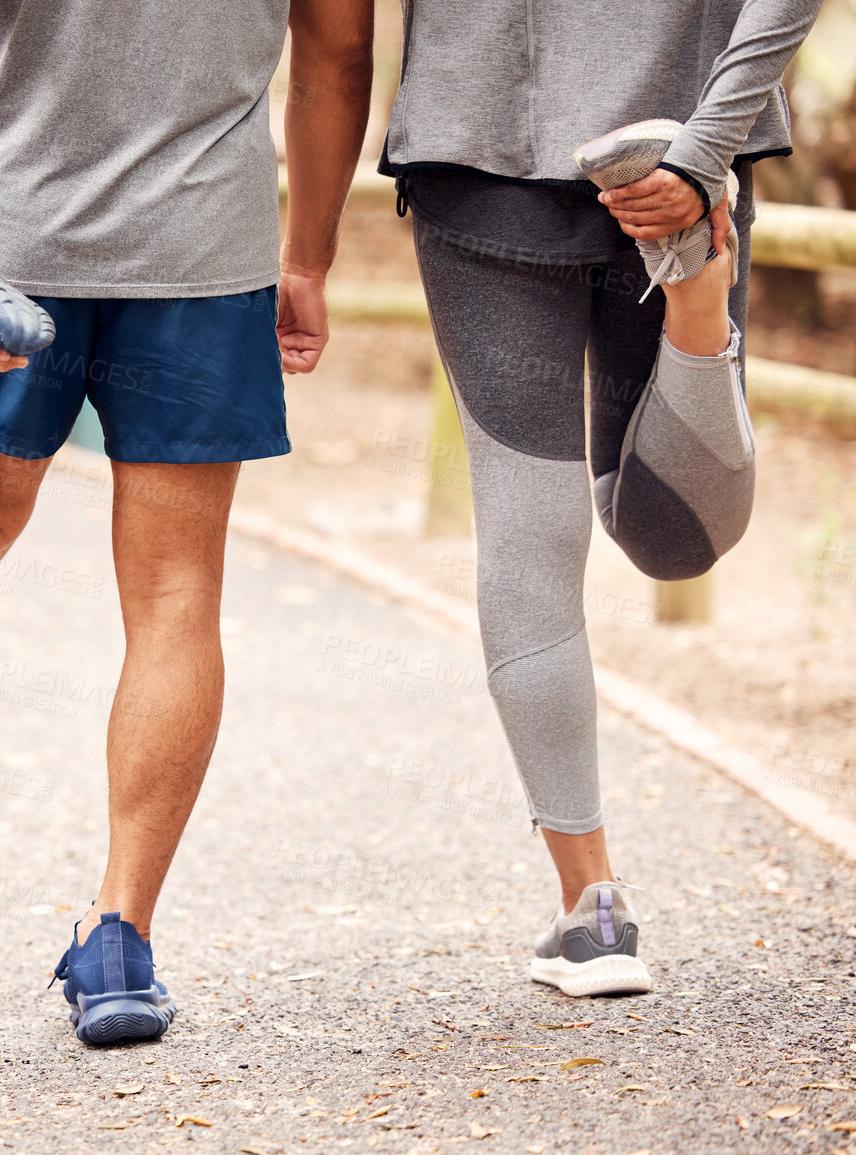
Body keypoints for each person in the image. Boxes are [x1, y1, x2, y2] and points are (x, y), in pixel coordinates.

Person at [0, 0, 374, 1043]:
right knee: (176, 594)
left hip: (13, 239)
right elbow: (339, 45)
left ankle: (118, 926)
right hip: (201, 255)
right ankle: (120, 940)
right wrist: (308, 256)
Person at [379, 0, 823, 996]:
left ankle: (596, 912)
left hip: (479, 145)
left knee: (528, 530)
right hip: (681, 143)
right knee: (676, 541)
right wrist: (709, 147)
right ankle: (697, 310)